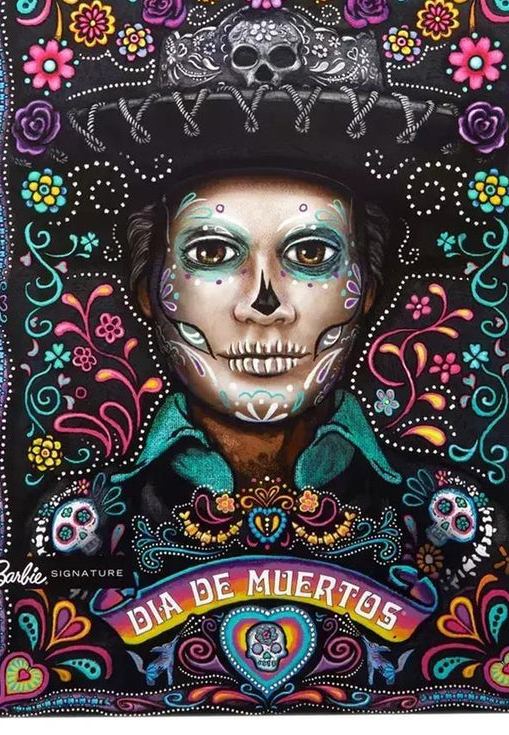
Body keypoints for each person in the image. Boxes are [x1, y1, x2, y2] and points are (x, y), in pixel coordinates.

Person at [112, 168, 402, 521]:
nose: (264, 306)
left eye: (311, 253)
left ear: (367, 290)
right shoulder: (87, 520)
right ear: (148, 289)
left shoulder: (439, 511)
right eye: (212, 252)